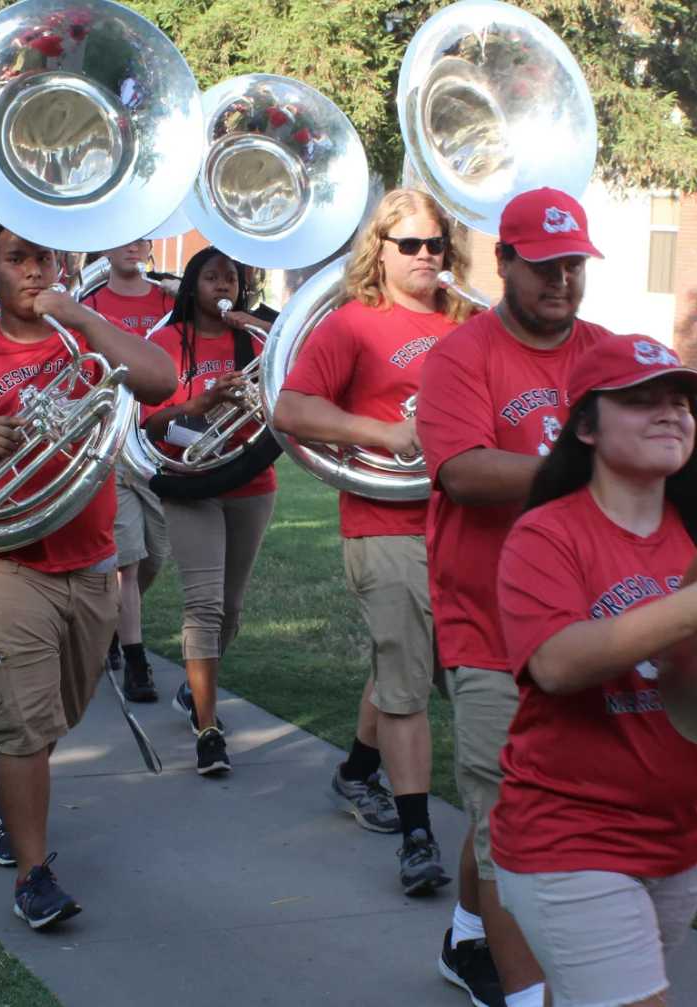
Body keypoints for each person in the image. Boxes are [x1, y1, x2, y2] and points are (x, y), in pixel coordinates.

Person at [493, 334, 697, 1006]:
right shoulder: (546, 534)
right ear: (585, 426)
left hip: (683, 833)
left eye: (681, 402)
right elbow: (555, 661)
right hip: (569, 835)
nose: (669, 413)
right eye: (640, 400)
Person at [0, 217, 176, 930]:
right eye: (18, 258)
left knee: (57, 715)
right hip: (3, 559)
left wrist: (79, 313)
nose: (34, 271)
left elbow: (162, 379)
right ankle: (33, 873)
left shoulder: (85, 338)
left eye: (45, 257)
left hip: (89, 560)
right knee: (21, 726)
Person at [416, 187, 614, 1007]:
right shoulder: (461, 356)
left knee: (520, 803)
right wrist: (587, 468)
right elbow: (461, 470)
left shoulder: (608, 353)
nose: (561, 282)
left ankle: (466, 935)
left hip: (586, 626)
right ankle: (528, 996)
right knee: (509, 818)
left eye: (573, 266)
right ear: (502, 262)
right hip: (486, 624)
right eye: (543, 267)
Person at [271, 189, 473, 900]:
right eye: (409, 245)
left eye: (435, 244)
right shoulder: (354, 324)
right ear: (378, 252)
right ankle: (419, 836)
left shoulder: (471, 324)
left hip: (466, 523)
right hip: (385, 520)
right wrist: (387, 433)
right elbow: (291, 408)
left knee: (404, 663)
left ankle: (356, 770)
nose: (425, 257)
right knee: (407, 670)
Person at [142, 246, 276, 776]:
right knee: (204, 606)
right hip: (189, 479)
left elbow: (296, 393)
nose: (223, 286)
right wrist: (197, 406)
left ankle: (197, 689)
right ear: (192, 284)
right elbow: (150, 424)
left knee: (231, 606)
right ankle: (208, 726)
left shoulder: (259, 340)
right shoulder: (166, 342)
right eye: (212, 276)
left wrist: (264, 340)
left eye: (232, 278)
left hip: (250, 478)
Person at [82, 237, 176, 701]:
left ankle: (117, 627)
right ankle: (137, 662)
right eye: (121, 239)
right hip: (115, 443)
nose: (133, 248)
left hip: (160, 445)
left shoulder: (169, 298)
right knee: (128, 561)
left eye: (141, 239)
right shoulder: (89, 304)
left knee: (154, 557)